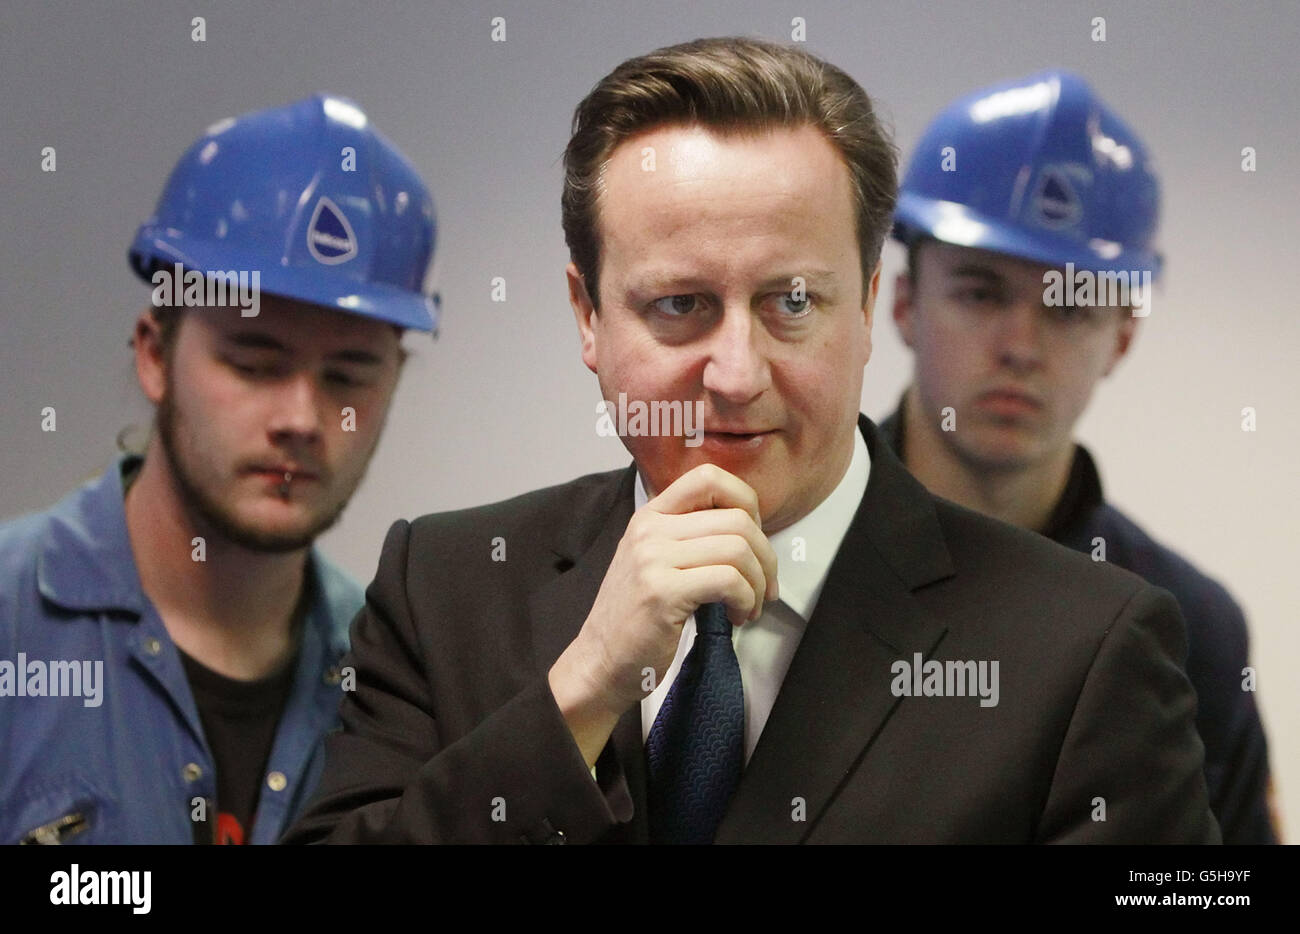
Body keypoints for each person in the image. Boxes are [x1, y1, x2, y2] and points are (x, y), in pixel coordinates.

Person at [284, 39, 1218, 844]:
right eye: (680, 306)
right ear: (588, 318)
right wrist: (581, 695)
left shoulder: (1087, 650)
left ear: (866, 309)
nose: (736, 372)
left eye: (793, 303)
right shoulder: (444, 587)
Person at [0, 93, 439, 844]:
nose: (301, 419)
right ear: (152, 353)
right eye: (254, 363)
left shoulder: (391, 674)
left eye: (348, 375)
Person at [883, 71, 1278, 844]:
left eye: (1069, 305)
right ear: (900, 305)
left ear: (1122, 340)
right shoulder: (774, 563)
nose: (1021, 347)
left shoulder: (1192, 626)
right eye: (981, 292)